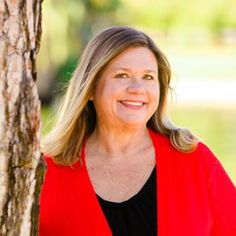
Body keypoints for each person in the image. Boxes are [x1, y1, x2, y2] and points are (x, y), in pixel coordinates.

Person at [39, 26, 236, 236]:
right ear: (90, 89)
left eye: (148, 77)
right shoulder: (46, 172)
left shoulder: (195, 160)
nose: (137, 88)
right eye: (122, 75)